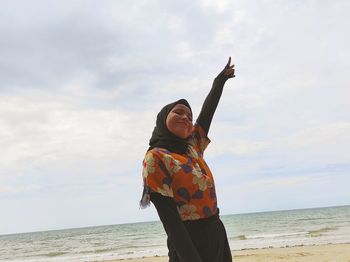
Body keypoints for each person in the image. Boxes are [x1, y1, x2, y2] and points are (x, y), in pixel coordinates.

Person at [140, 57, 235, 262]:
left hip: (216, 232)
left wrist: (219, 83)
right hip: (188, 241)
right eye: (178, 112)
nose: (186, 117)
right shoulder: (156, 158)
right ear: (162, 119)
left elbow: (207, 114)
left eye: (189, 116)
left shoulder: (193, 148)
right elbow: (171, 223)